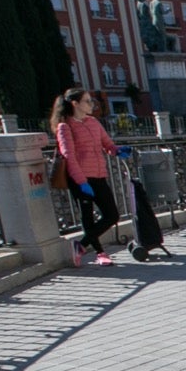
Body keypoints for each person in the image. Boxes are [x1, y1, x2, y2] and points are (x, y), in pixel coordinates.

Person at [51, 88, 122, 267]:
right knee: (87, 217)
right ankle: (100, 253)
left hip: (98, 175)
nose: (91, 105)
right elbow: (69, 156)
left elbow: (107, 144)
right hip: (80, 178)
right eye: (87, 101)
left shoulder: (93, 122)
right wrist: (81, 182)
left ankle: (80, 246)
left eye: (91, 101)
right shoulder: (65, 127)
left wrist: (118, 150)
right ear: (75, 104)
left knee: (112, 215)